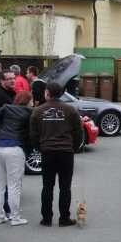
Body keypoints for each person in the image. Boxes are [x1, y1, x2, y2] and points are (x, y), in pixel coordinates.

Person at [30, 82, 83, 227]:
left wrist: (40, 148)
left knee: (47, 186)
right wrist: (73, 148)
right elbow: (78, 133)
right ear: (61, 94)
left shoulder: (38, 111)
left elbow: (33, 135)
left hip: (47, 152)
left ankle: (46, 219)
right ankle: (64, 218)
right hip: (66, 152)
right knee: (65, 187)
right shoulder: (70, 110)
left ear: (47, 93)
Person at [0, 91, 33, 226]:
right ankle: (15, 217)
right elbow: (32, 133)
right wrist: (28, 148)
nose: (32, 103)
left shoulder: (5, 108)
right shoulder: (30, 113)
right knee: (14, 185)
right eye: (31, 100)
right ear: (27, 101)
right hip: (14, 148)